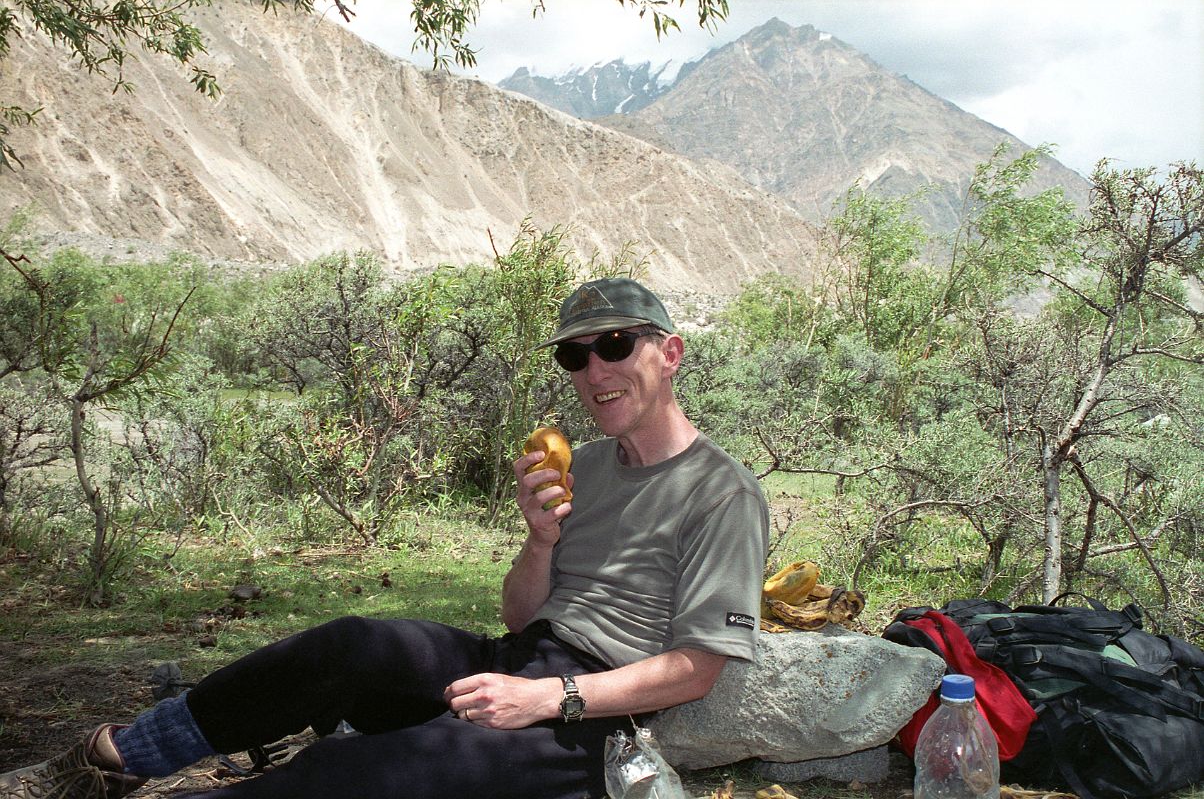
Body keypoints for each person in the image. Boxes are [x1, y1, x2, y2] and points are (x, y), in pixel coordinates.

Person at [1, 277, 769, 799]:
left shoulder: (722, 493)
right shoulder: (588, 466)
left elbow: (697, 667)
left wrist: (548, 697)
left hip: (590, 717)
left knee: (348, 774)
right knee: (350, 645)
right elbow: (519, 616)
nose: (594, 370)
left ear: (669, 353)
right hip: (520, 659)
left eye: (616, 345)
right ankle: (114, 761)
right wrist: (539, 542)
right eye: (575, 354)